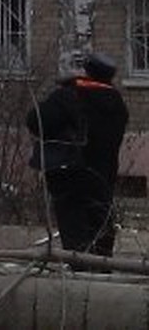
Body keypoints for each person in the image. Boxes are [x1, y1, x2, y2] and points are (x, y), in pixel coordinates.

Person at [26, 52, 129, 257]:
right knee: (100, 221)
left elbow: (35, 121)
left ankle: (79, 275)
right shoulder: (117, 102)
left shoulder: (69, 96)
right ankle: (102, 268)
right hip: (103, 174)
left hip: (70, 172)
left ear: (87, 71)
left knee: (75, 227)